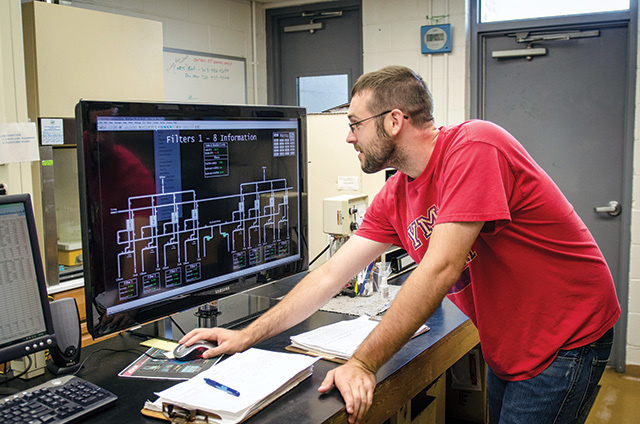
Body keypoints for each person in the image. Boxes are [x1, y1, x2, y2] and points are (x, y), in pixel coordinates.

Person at [180, 66, 620, 424]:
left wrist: (363, 363)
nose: (349, 137)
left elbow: (440, 268)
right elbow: (330, 275)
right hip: (513, 342)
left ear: (394, 121)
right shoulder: (396, 194)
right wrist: (245, 336)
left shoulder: (474, 147)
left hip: (567, 334)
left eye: (355, 124)